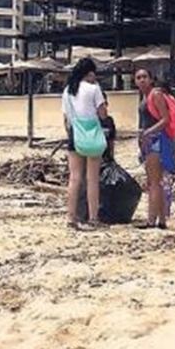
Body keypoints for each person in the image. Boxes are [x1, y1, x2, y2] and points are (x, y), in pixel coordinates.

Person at [63, 57, 108, 229]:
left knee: (74, 178)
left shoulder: (68, 91)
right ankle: (93, 218)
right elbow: (103, 114)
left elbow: (66, 118)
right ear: (90, 73)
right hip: (92, 135)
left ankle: (71, 217)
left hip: (75, 134)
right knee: (92, 179)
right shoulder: (94, 88)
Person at [134, 69, 175, 229]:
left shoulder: (155, 95)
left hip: (156, 141)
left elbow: (165, 119)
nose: (141, 80)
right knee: (157, 182)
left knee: (153, 182)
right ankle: (161, 220)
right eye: (138, 77)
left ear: (151, 79)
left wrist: (147, 132)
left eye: (144, 77)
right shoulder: (145, 97)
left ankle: (151, 220)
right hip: (152, 141)